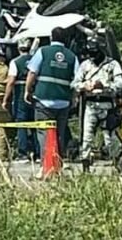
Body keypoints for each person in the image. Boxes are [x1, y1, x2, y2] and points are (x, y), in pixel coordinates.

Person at [71, 36, 122, 173]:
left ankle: (116, 160)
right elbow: (75, 83)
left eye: (95, 53)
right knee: (87, 136)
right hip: (90, 104)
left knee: (110, 136)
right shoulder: (85, 65)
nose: (92, 56)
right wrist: (85, 86)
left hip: (107, 104)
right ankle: (85, 164)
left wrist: (105, 86)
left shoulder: (112, 65)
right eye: (90, 53)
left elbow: (120, 84)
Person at [24, 27, 79, 160]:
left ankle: (47, 166)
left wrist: (27, 90)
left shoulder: (42, 51)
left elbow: (32, 72)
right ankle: (57, 164)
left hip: (43, 99)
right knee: (59, 134)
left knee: (44, 133)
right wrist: (74, 98)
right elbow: (78, 79)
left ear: (51, 38)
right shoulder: (72, 56)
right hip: (63, 101)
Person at [3, 39, 39, 162]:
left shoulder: (15, 62)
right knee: (35, 124)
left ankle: (23, 153)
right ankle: (38, 153)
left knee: (21, 124)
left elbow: (11, 81)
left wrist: (6, 99)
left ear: (18, 48)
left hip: (20, 94)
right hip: (34, 93)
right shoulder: (36, 60)